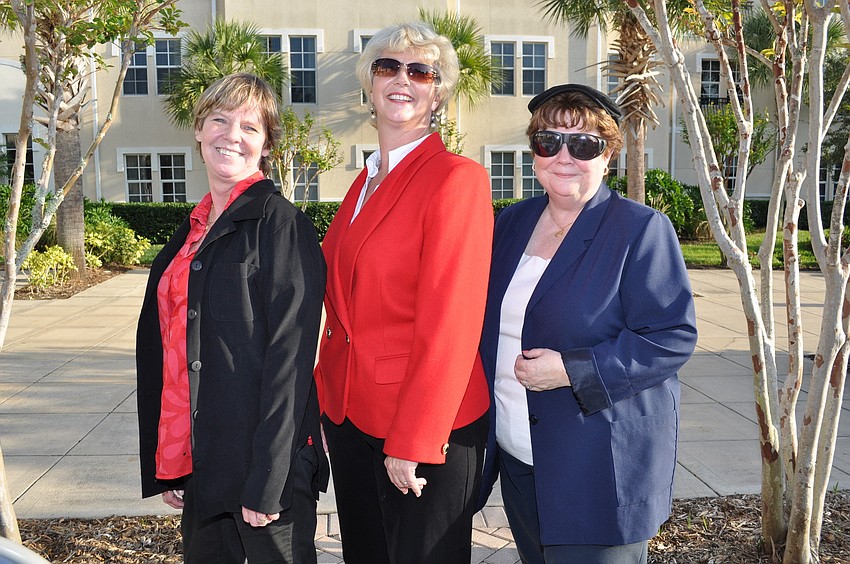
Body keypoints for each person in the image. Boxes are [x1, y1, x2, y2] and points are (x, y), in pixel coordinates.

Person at [476, 84, 698, 564]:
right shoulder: (510, 223)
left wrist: (574, 370)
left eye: (582, 144)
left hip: (598, 467)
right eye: (549, 141)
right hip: (520, 459)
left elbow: (672, 336)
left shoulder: (640, 229)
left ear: (608, 153)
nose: (563, 156)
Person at [313, 22, 493, 564]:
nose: (402, 79)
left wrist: (414, 438)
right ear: (369, 84)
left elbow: (452, 322)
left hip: (423, 425)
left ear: (438, 92)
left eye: (420, 71)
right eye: (387, 67)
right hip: (350, 414)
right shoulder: (364, 182)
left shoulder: (455, 178)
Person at [135, 73, 328, 564]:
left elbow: (291, 361)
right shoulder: (192, 231)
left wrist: (268, 478)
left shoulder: (281, 225)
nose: (232, 135)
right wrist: (174, 459)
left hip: (264, 467)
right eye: (219, 120)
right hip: (204, 463)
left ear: (266, 145)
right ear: (199, 130)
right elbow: (177, 353)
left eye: (250, 126)